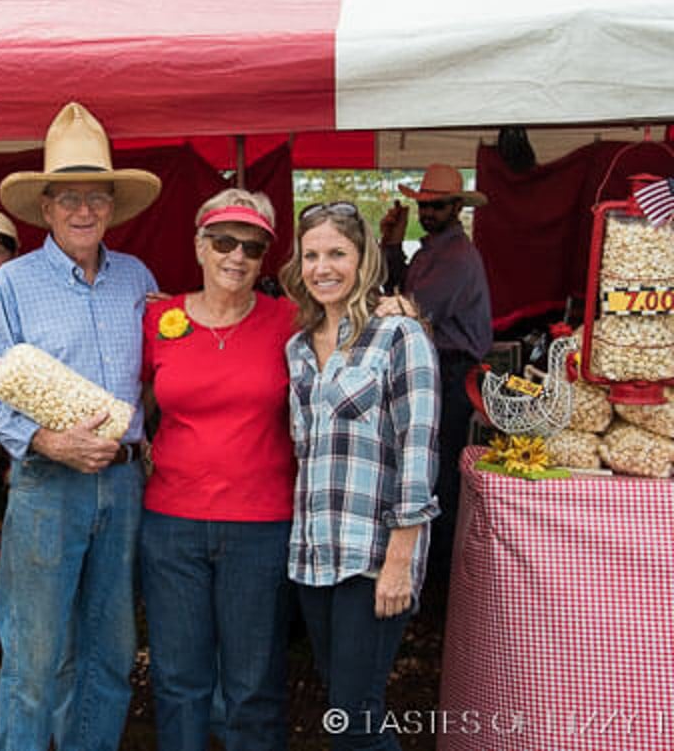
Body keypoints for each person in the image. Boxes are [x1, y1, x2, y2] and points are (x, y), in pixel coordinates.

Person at [0, 101, 161, 751]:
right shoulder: (14, 283)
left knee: (111, 654)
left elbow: (161, 376)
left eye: (97, 198)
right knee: (35, 658)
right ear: (47, 207)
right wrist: (53, 441)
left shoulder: (137, 280)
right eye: (69, 198)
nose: (84, 211)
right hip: (46, 486)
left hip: (123, 486)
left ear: (112, 206)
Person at [139, 189, 298, 750]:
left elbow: (352, 324)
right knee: (179, 680)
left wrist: (398, 308)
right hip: (171, 524)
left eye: (252, 248)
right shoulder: (160, 317)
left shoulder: (289, 321)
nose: (237, 256)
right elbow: (126, 399)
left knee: (252, 685)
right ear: (199, 246)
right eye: (224, 241)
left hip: (260, 524)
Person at [279, 202, 440, 750]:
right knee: (346, 706)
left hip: (373, 558)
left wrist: (399, 563)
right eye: (312, 255)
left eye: (337, 254)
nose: (324, 267)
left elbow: (418, 451)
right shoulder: (297, 350)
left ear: (364, 258)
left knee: (356, 720)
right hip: (314, 556)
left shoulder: (399, 336)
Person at [380, 164, 491, 598]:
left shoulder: (457, 257)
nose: (428, 212)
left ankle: (438, 586)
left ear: (458, 207)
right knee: (425, 469)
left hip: (449, 371)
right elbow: (396, 287)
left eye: (437, 205)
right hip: (435, 366)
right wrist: (391, 241)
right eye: (423, 204)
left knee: (438, 475)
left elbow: (411, 308)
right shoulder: (433, 250)